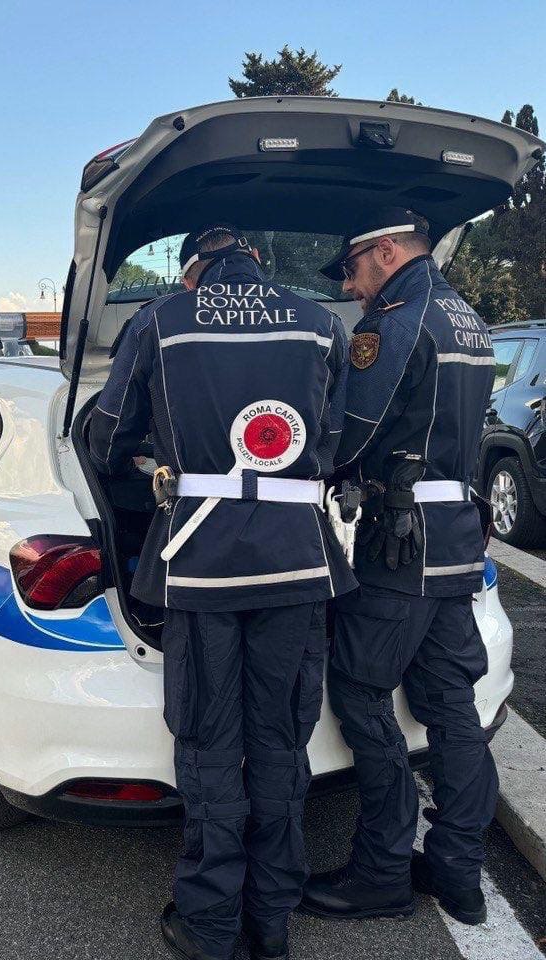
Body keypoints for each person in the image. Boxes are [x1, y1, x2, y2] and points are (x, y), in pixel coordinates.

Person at [90, 225, 354, 960]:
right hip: (297, 564)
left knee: (209, 746)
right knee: (280, 743)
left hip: (198, 563)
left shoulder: (160, 322)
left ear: (190, 275)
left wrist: (151, 466)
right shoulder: (318, 322)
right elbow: (335, 441)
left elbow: (106, 434)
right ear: (259, 264)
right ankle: (271, 923)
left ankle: (209, 928)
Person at [301, 208, 497, 926]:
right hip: (452, 538)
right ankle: (458, 874)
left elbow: (349, 436)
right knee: (452, 711)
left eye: (350, 271)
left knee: (357, 689)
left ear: (383, 252)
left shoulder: (394, 320)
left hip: (399, 543)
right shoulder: (464, 315)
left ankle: (380, 871)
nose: (350, 289)